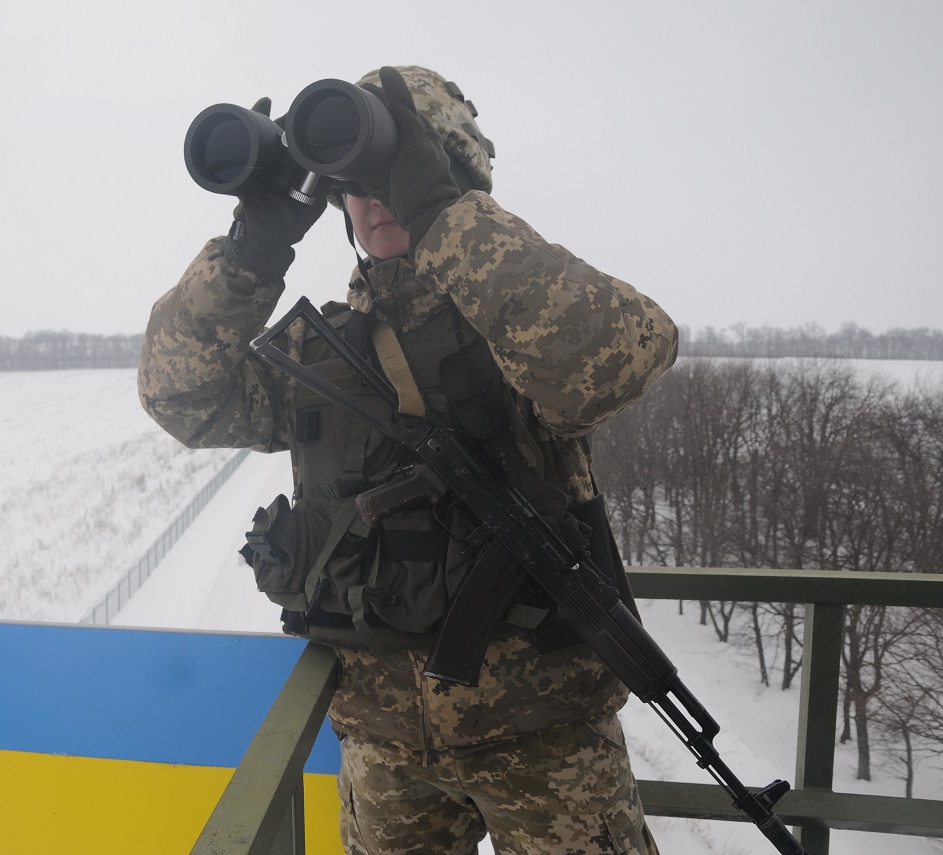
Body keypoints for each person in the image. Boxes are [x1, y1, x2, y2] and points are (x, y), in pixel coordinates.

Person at [139, 65, 677, 855]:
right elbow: (178, 397)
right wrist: (249, 252)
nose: (372, 197)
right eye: (352, 182)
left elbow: (620, 352)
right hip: (383, 742)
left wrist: (446, 217)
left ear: (450, 177)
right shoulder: (317, 350)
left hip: (546, 739)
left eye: (392, 173)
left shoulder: (519, 328)